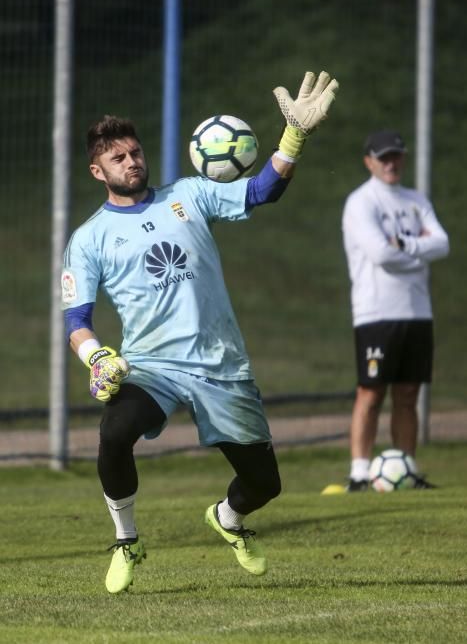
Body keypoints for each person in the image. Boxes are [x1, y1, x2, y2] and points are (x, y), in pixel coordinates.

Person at [61, 70, 339, 593]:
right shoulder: (88, 238)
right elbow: (77, 320)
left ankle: (228, 519)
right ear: (98, 170)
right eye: (118, 157)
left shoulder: (189, 194)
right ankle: (127, 541)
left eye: (136, 151)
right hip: (151, 366)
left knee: (264, 483)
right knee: (114, 433)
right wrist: (98, 359)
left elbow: (262, 190)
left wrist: (293, 137)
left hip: (219, 361)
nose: (132, 161)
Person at [342, 129, 449, 492]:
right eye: (383, 157)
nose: (391, 163)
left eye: (396, 156)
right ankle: (358, 474)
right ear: (369, 161)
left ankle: (408, 468)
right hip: (376, 311)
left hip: (417, 311)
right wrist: (418, 252)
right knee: (370, 392)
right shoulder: (361, 202)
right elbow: (379, 254)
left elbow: (443, 244)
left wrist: (403, 243)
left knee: (408, 394)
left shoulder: (416, 200)